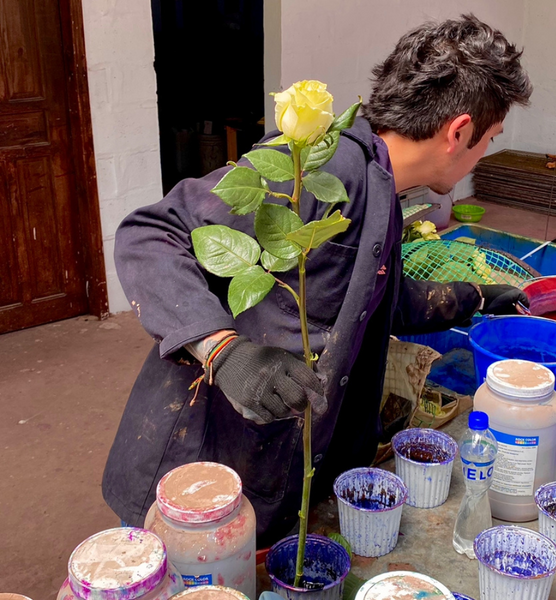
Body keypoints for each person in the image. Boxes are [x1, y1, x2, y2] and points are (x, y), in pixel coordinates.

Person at [102, 14, 532, 547]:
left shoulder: (383, 192)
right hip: (199, 468)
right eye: (489, 138)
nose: (483, 152)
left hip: (275, 467)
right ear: (459, 131)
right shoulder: (314, 170)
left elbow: (375, 299)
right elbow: (150, 232)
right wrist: (225, 352)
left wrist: (476, 297)